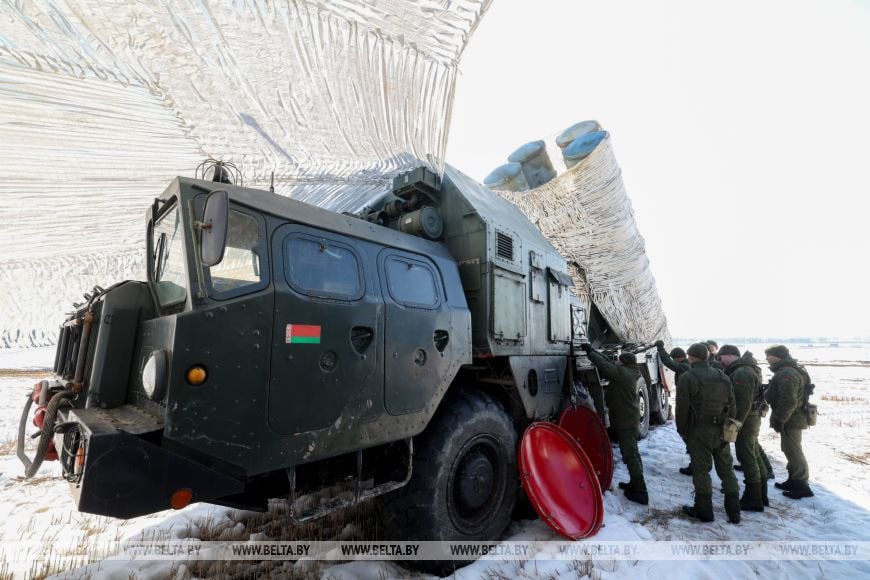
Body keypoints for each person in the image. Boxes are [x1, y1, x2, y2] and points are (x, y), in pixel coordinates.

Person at [676, 343, 741, 523]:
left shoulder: (688, 377)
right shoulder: (722, 376)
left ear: (690, 357)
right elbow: (732, 406)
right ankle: (734, 511)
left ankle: (704, 510)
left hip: (699, 431)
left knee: (701, 470)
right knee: (726, 469)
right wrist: (727, 427)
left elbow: (682, 408)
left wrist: (681, 430)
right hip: (721, 429)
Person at [581, 343, 648, 505]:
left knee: (630, 455)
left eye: (619, 361)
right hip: (630, 420)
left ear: (623, 362)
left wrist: (590, 352)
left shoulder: (622, 374)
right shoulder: (632, 372)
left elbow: (605, 366)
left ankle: (640, 491)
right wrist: (596, 351)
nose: (616, 362)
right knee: (633, 453)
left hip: (625, 422)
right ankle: (634, 483)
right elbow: (610, 364)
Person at [717, 345, 766, 511]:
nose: (720, 362)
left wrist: (734, 425)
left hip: (746, 421)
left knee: (746, 456)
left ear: (729, 355)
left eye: (720, 358)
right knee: (753, 453)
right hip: (751, 419)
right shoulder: (747, 368)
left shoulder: (742, 372)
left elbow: (742, 403)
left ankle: (754, 498)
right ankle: (761, 494)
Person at [764, 344, 814, 499]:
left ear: (778, 356)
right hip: (791, 417)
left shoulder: (787, 373)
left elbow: (789, 401)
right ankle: (793, 480)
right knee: (788, 449)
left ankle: (801, 485)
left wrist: (780, 419)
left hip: (792, 418)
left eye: (769, 355)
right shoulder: (787, 370)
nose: (767, 358)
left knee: (793, 451)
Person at [656, 340, 694, 476]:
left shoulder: (684, 366)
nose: (674, 361)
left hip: (688, 404)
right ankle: (696, 464)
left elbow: (668, 363)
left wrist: (661, 349)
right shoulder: (687, 366)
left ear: (678, 357)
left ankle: (696, 465)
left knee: (690, 436)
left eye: (674, 358)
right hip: (691, 403)